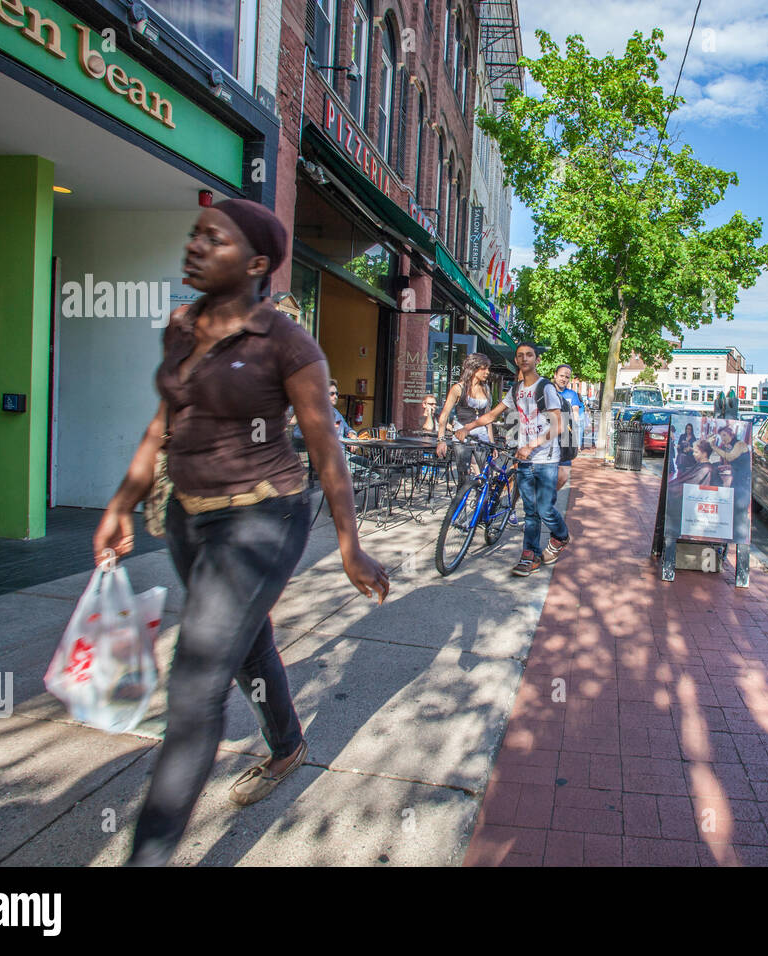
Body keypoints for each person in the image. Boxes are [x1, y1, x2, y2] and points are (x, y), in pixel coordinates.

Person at [91, 198, 389, 867]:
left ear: (256, 264)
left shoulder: (287, 345)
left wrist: (348, 541)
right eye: (195, 233)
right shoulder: (181, 326)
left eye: (214, 239)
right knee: (247, 644)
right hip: (189, 518)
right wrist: (121, 502)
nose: (195, 245)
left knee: (196, 686)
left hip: (263, 518)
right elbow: (162, 426)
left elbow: (325, 450)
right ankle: (287, 746)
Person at [455, 342, 571, 575]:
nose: (524, 358)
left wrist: (531, 446)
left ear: (537, 360)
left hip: (546, 459)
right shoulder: (515, 390)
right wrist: (468, 427)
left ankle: (561, 536)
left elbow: (559, 424)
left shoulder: (546, 388)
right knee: (530, 512)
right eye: (520, 356)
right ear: (516, 361)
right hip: (525, 460)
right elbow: (491, 414)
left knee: (546, 509)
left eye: (529, 355)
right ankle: (530, 556)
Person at [435, 353, 494, 486]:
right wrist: (441, 440)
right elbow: (444, 415)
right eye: (484, 368)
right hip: (462, 436)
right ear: (473, 368)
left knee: (484, 477)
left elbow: (488, 418)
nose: (487, 372)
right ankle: (460, 505)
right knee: (464, 477)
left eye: (488, 368)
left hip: (481, 437)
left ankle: (480, 504)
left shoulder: (486, 389)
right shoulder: (458, 388)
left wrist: (492, 443)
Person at [553, 364, 585, 490]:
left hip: (565, 439)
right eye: (561, 375)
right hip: (548, 438)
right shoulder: (547, 390)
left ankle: (549, 498)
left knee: (563, 477)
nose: (564, 379)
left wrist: (575, 437)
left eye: (567, 377)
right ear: (555, 375)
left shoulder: (572, 395)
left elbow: (575, 413)